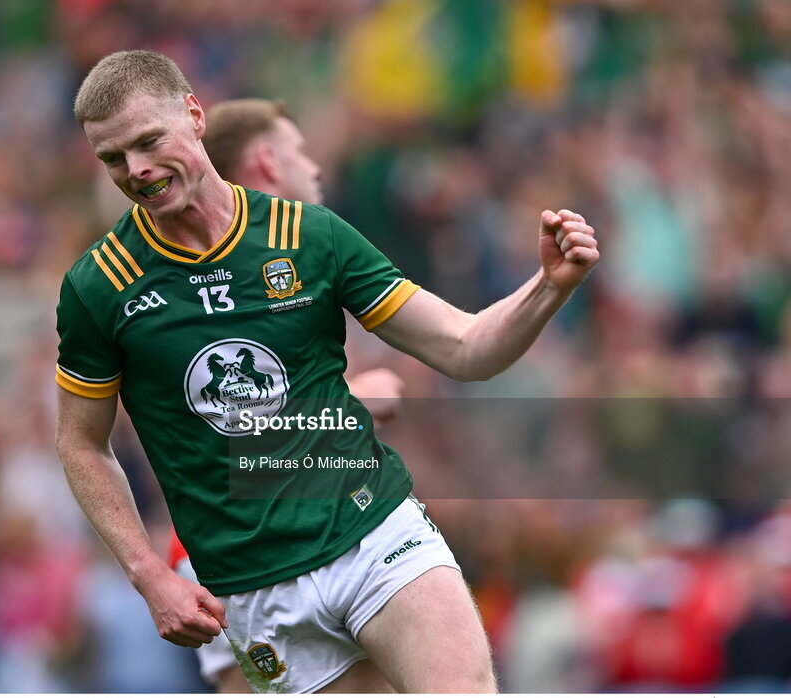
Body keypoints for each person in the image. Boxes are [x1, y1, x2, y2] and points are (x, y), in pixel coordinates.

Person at [56, 50, 599, 693]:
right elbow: (81, 443)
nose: (137, 170)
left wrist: (547, 287)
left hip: (373, 532)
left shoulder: (310, 236)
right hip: (255, 591)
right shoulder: (100, 286)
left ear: (194, 116)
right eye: (114, 159)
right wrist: (148, 572)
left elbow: (464, 347)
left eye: (149, 142)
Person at [170, 97, 404, 693]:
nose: (317, 168)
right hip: (236, 547)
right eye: (301, 152)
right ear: (269, 164)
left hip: (321, 524)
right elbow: (227, 440)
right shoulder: (200, 283)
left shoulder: (308, 255)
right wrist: (352, 401)